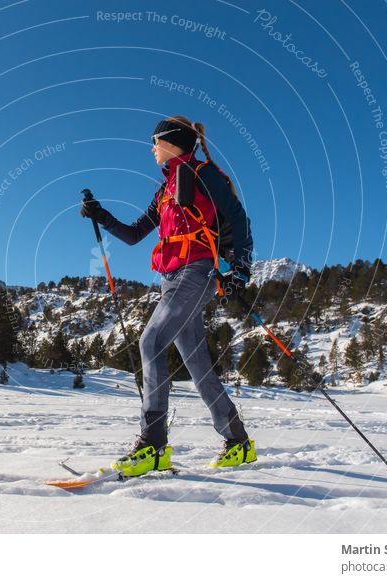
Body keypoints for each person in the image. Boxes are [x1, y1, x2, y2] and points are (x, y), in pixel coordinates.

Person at [80, 115, 257, 476]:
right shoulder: (164, 191)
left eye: (154, 142)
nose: (151, 149)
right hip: (171, 277)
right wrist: (101, 215)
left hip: (197, 271)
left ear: (171, 142)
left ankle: (153, 447)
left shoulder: (203, 175)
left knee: (151, 342)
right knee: (196, 364)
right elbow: (134, 234)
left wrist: (241, 268)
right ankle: (238, 443)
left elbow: (239, 219)